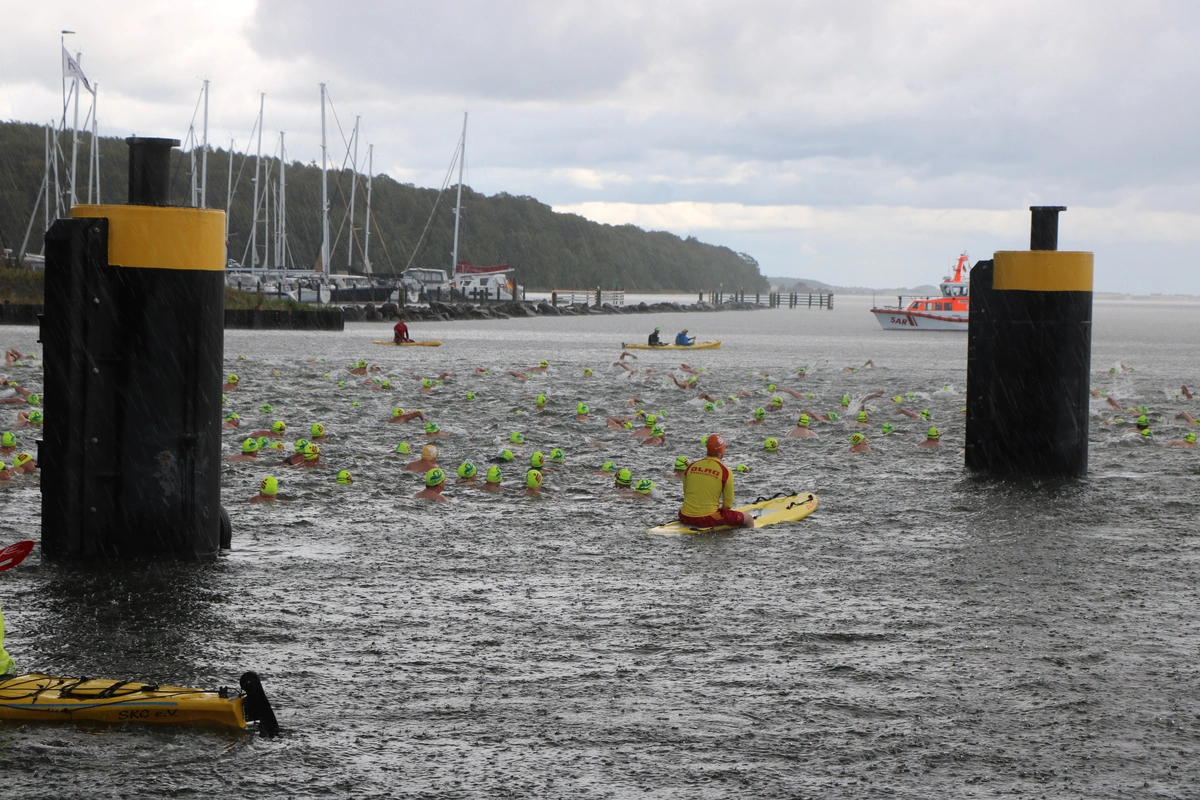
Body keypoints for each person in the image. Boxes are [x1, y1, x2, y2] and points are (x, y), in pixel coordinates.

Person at [679, 434, 754, 528]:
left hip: (684, 516)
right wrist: (720, 515)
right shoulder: (725, 472)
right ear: (722, 450)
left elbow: (686, 493)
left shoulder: (691, 466)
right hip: (708, 519)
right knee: (749, 519)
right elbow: (727, 506)